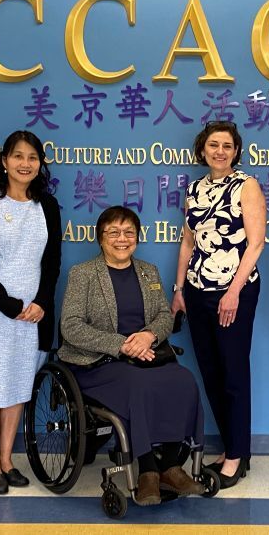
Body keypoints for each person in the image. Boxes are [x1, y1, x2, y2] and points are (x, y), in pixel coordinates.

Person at [59, 206, 205, 506]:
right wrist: (121, 344)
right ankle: (148, 470)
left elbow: (164, 316)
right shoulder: (83, 274)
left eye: (129, 232)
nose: (122, 239)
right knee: (138, 385)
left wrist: (149, 335)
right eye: (113, 232)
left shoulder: (148, 271)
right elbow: (71, 326)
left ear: (137, 237)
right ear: (101, 238)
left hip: (145, 354)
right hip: (98, 362)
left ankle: (171, 466)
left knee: (183, 380)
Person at [0, 131, 61, 495]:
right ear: (4, 161)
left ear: (40, 164)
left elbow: (53, 262)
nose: (25, 163)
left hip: (33, 315)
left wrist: (41, 303)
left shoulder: (46, 205)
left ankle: (7, 459)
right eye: (18, 156)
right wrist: (8, 304)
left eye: (32, 157)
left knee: (19, 386)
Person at [170, 121, 266, 489]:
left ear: (236, 151)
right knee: (211, 372)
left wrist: (233, 292)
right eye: (213, 145)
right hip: (197, 291)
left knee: (233, 373)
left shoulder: (246, 185)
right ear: (203, 149)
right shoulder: (194, 189)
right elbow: (187, 242)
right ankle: (231, 447)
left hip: (234, 291)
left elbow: (256, 244)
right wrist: (179, 289)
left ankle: (237, 456)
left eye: (227, 145)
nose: (220, 151)